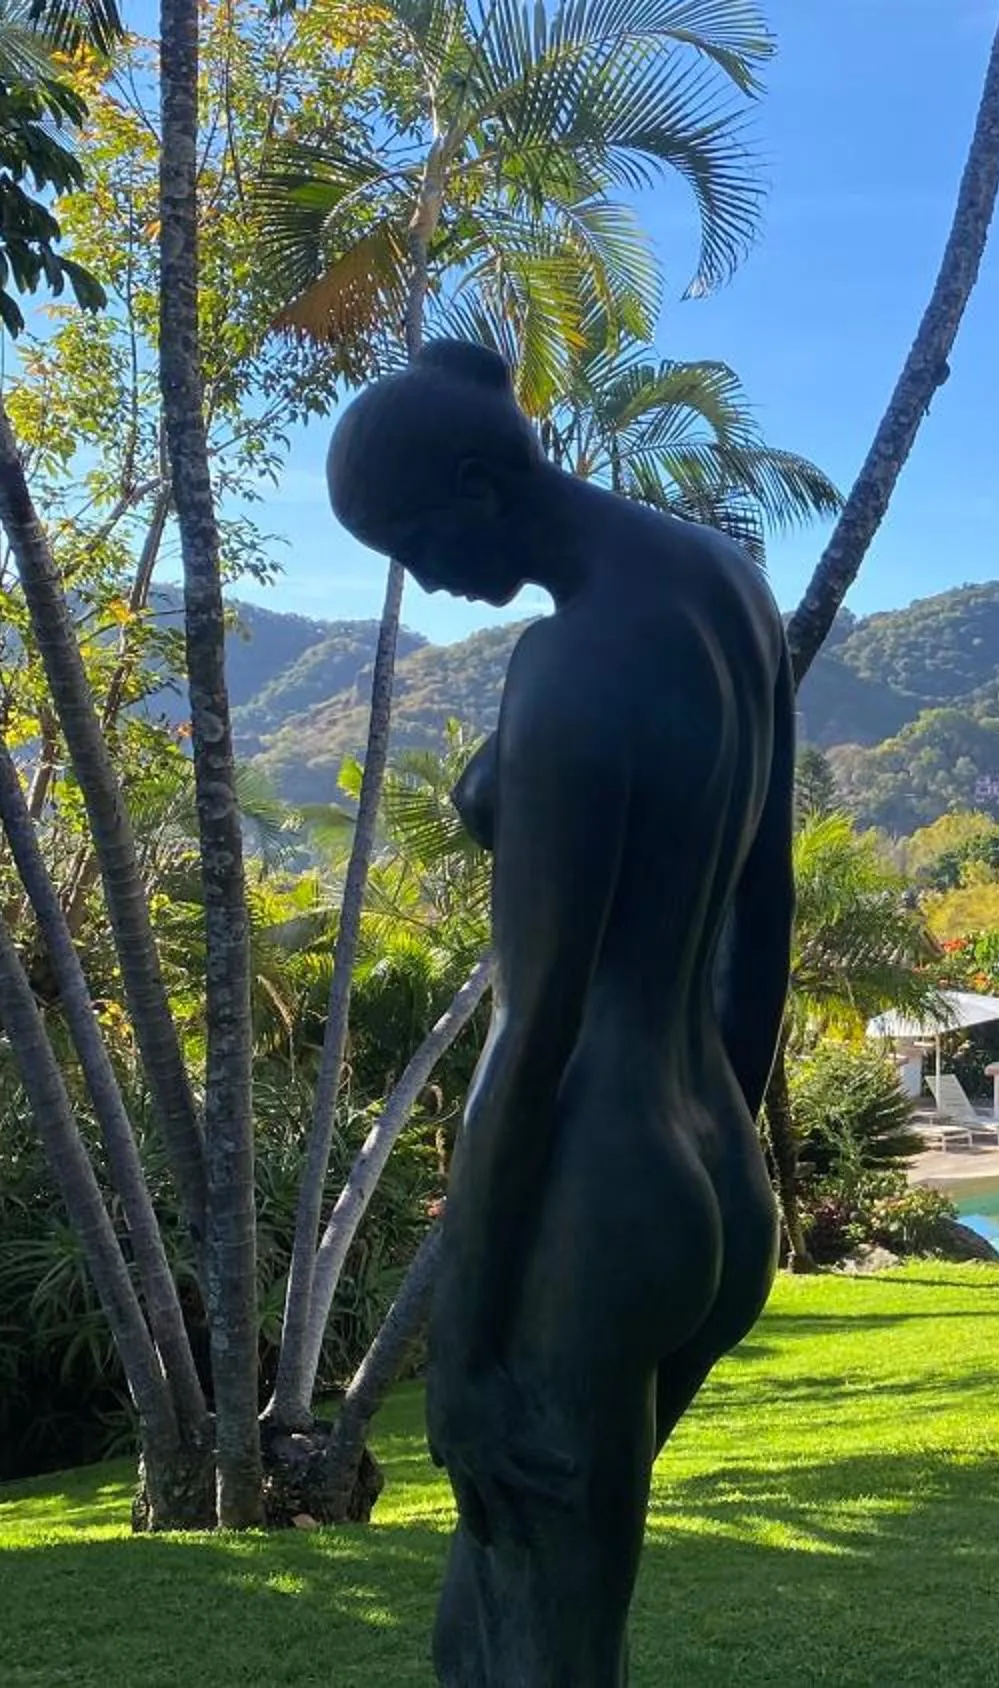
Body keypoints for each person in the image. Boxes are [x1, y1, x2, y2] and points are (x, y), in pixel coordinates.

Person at [324, 338, 794, 1684]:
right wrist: (723, 1152)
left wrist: (461, 1362)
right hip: (710, 1164)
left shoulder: (571, 670)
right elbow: (766, 911)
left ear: (478, 485)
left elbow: (530, 1038)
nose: (424, 582)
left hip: (600, 1183)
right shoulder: (728, 588)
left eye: (414, 543)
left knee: (542, 1652)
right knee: (487, 1630)